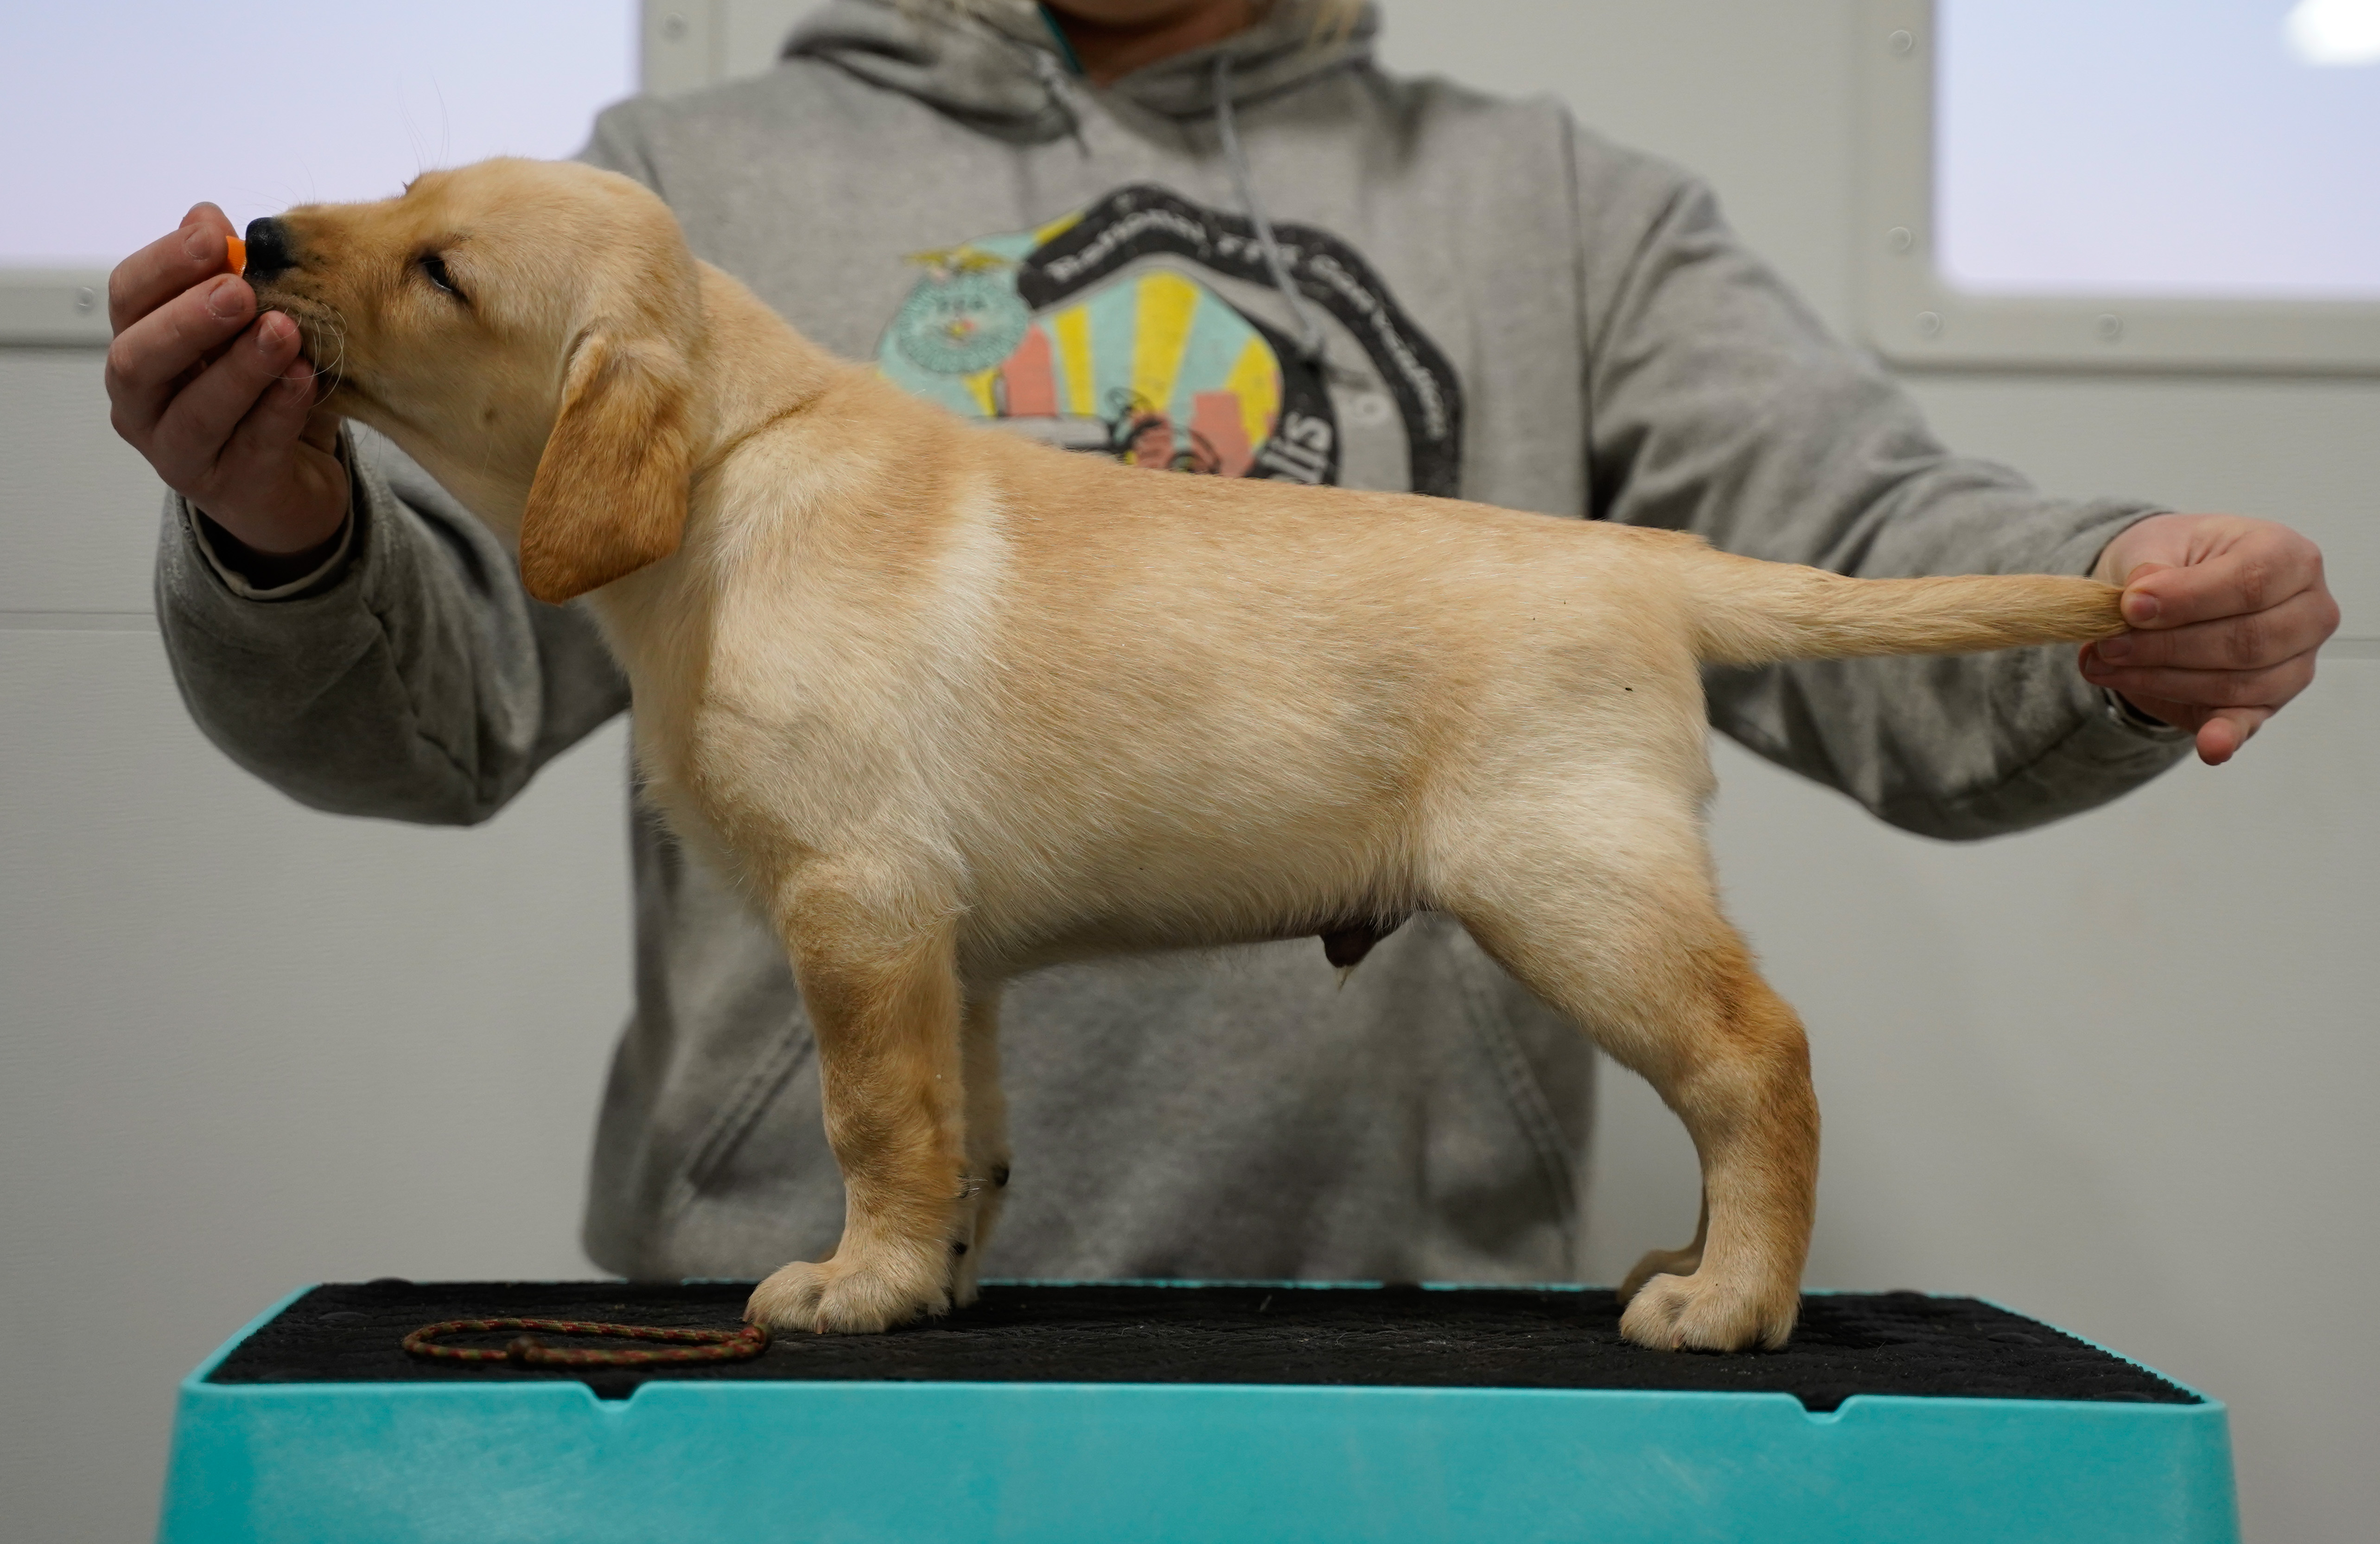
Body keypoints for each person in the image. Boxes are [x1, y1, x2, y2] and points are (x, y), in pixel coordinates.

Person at [103, 0, 2335, 1287]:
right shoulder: (667, 179)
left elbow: (1856, 545)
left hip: (1415, 1343)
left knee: (1670, 974)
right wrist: (284, 525)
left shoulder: (1560, 197)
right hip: (771, 1355)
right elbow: (451, 691)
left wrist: (2115, 594)